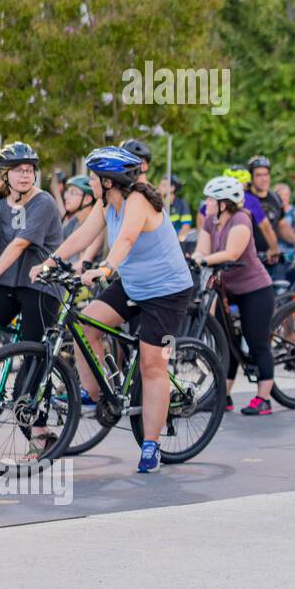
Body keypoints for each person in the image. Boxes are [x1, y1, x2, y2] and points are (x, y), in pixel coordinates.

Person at [33, 146, 194, 474]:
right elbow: (82, 236)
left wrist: (105, 269)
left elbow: (127, 240)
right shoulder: (106, 203)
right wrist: (50, 262)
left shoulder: (138, 201)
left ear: (108, 181)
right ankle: (99, 393)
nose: (89, 182)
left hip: (167, 292)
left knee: (152, 366)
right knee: (84, 324)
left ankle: (152, 444)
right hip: (135, 285)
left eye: (92, 177)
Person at [0, 143, 64, 459]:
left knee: (33, 355)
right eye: (18, 170)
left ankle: (40, 434)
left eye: (29, 169)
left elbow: (19, 246)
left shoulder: (44, 203)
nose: (25, 175)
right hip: (10, 287)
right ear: (6, 175)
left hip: (41, 288)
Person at [195, 176, 277, 416]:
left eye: (210, 198)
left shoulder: (241, 219)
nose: (206, 202)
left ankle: (264, 399)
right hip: (226, 289)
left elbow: (231, 253)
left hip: (255, 289)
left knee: (256, 341)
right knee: (225, 341)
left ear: (223, 203)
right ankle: (224, 396)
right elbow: (202, 248)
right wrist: (198, 257)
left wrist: (205, 260)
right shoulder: (211, 221)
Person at [60, 174, 97, 249]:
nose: (66, 196)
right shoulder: (74, 222)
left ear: (87, 199)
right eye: (67, 192)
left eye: (72, 193)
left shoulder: (95, 227)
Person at [161, 175, 193, 240]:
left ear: (172, 188)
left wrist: (178, 240)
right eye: (160, 185)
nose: (160, 188)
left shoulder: (182, 204)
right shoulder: (158, 204)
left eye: (164, 185)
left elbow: (186, 226)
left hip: (176, 242)